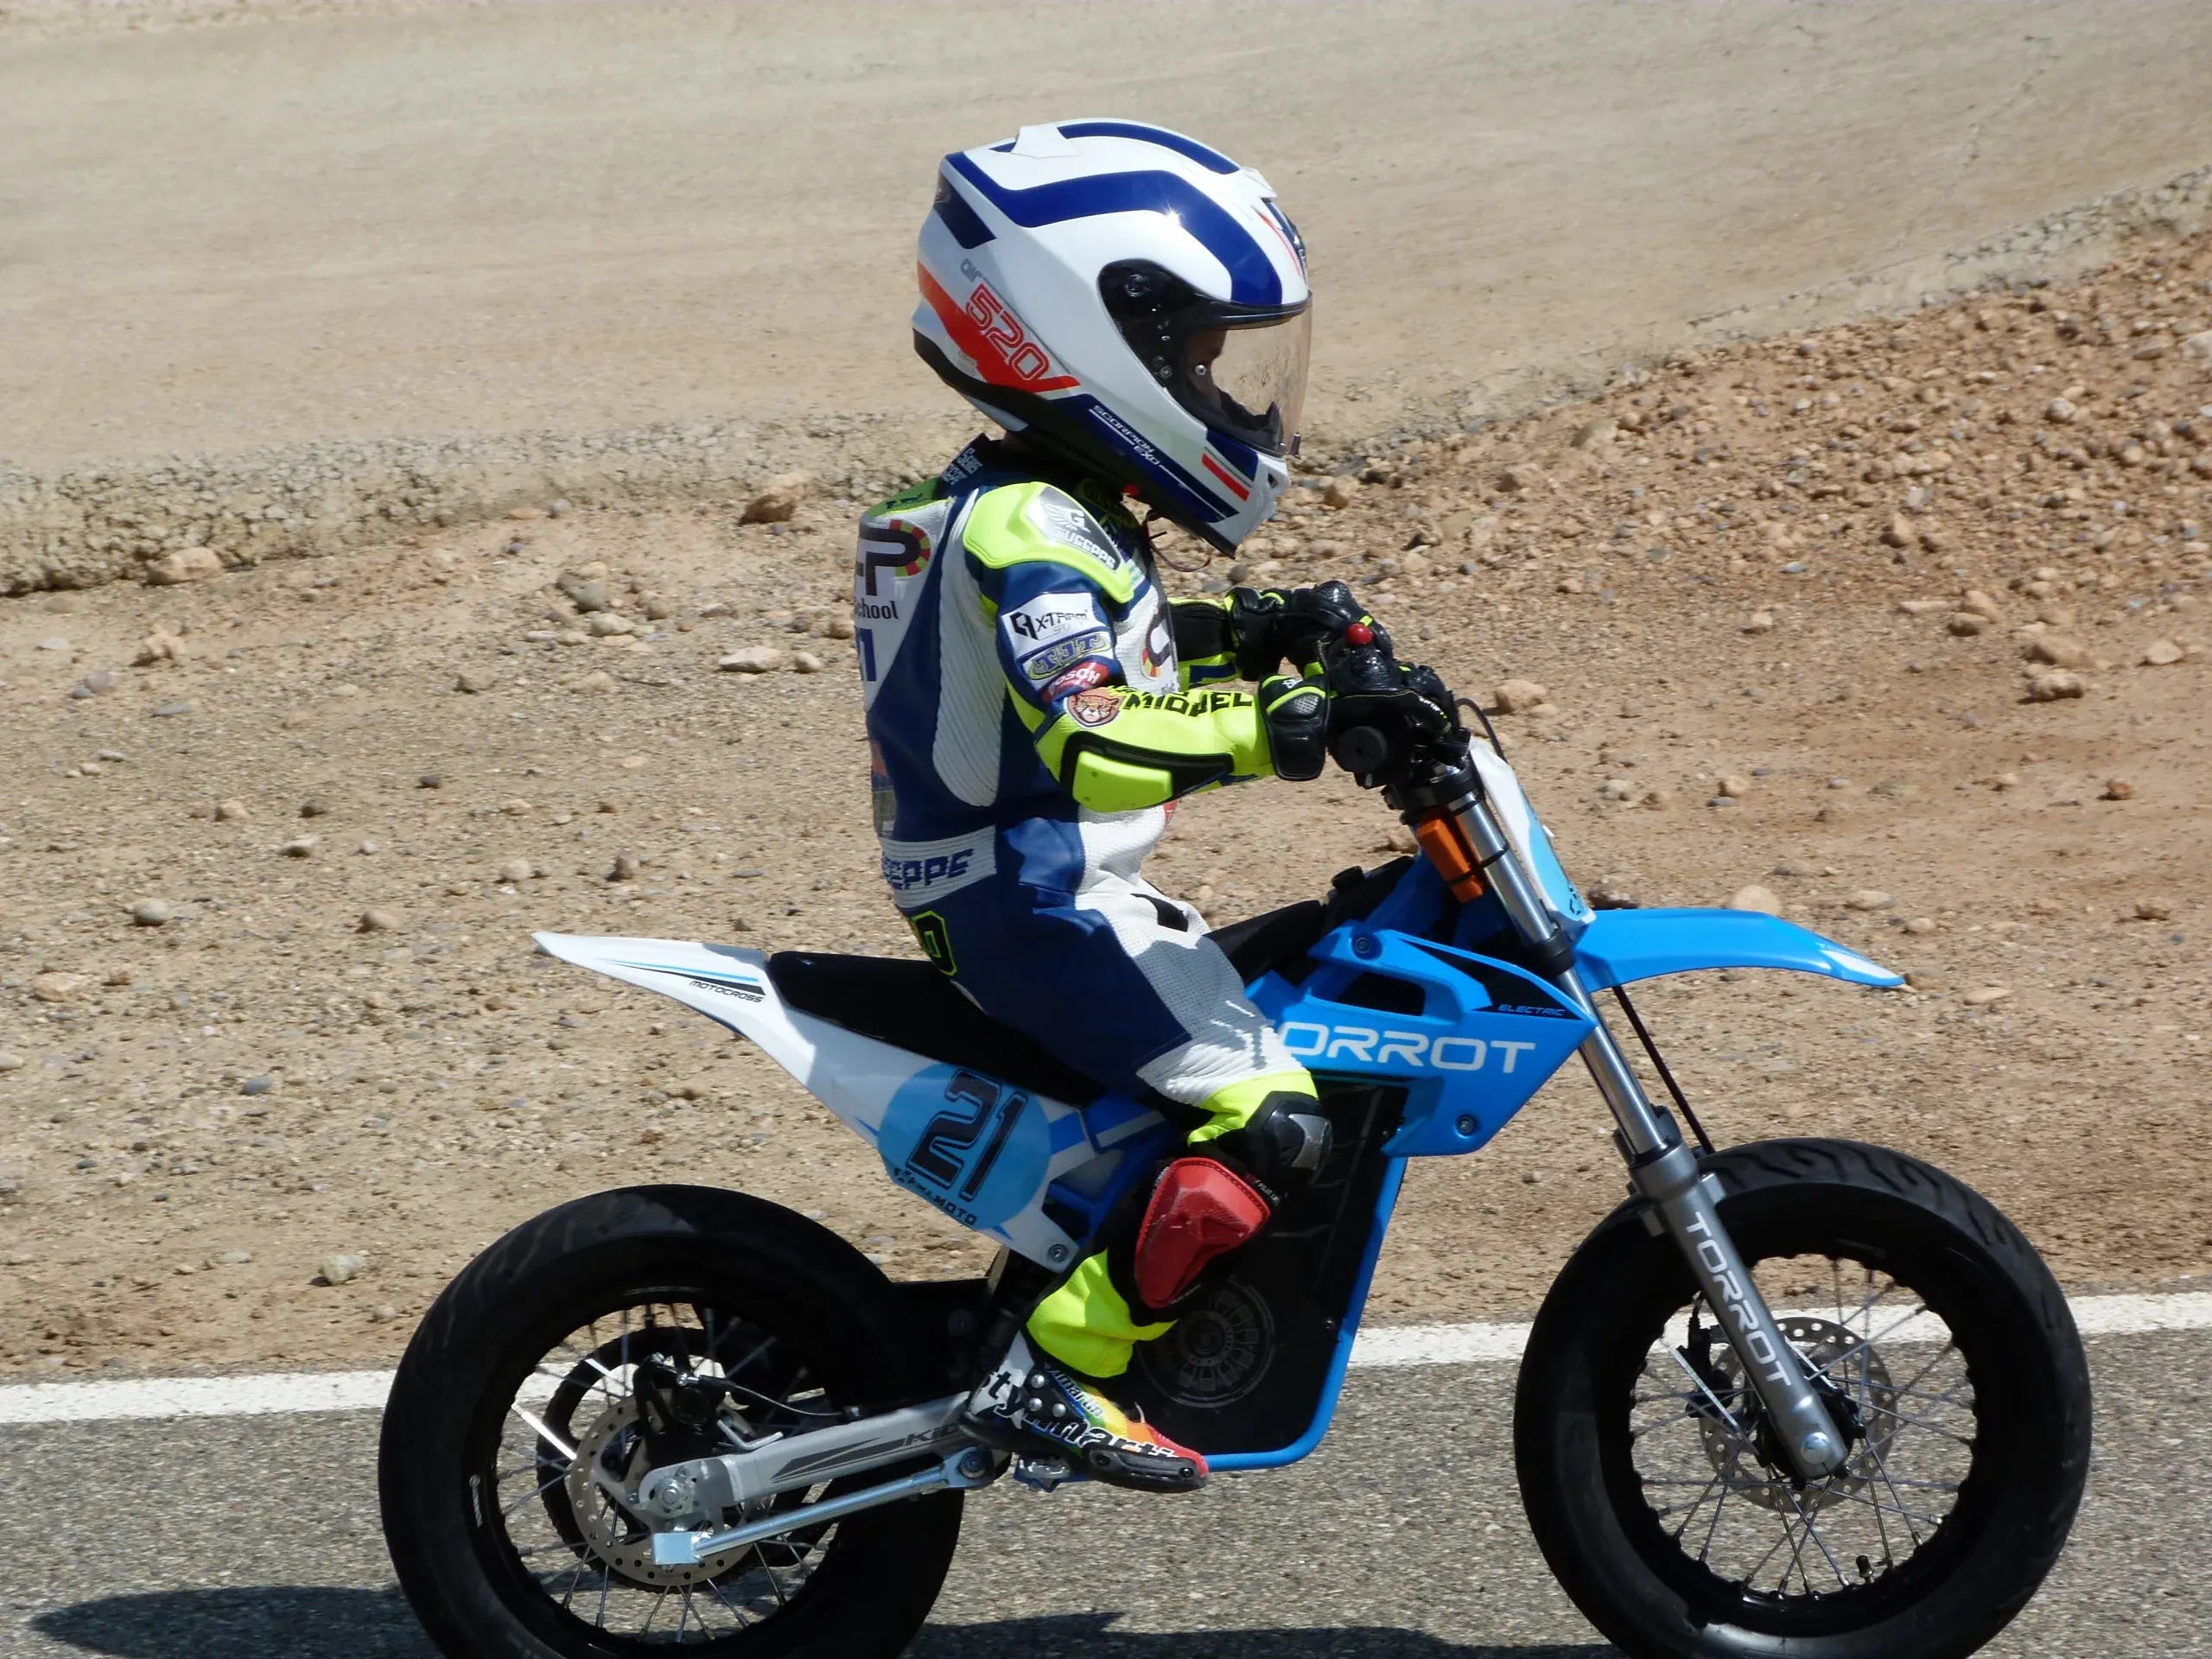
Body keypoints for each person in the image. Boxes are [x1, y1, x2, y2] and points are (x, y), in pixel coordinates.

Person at [852, 121, 1442, 1493]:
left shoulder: (1049, 509)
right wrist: (1288, 727)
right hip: (1034, 899)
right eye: (1190, 350)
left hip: (1041, 885)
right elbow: (1100, 740)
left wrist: (1268, 634)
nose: (1218, 387)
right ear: (1085, 332)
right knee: (1275, 1120)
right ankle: (1062, 1365)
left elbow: (1112, 651)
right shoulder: (1028, 531)